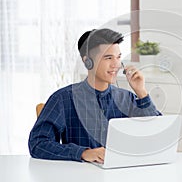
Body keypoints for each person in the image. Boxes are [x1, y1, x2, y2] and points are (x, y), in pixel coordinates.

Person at [28, 28, 161, 163]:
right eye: (108, 58)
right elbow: (37, 144)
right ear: (88, 62)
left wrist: (141, 92)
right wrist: (83, 153)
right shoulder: (63, 99)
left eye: (118, 57)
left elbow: (157, 135)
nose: (116, 64)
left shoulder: (126, 98)